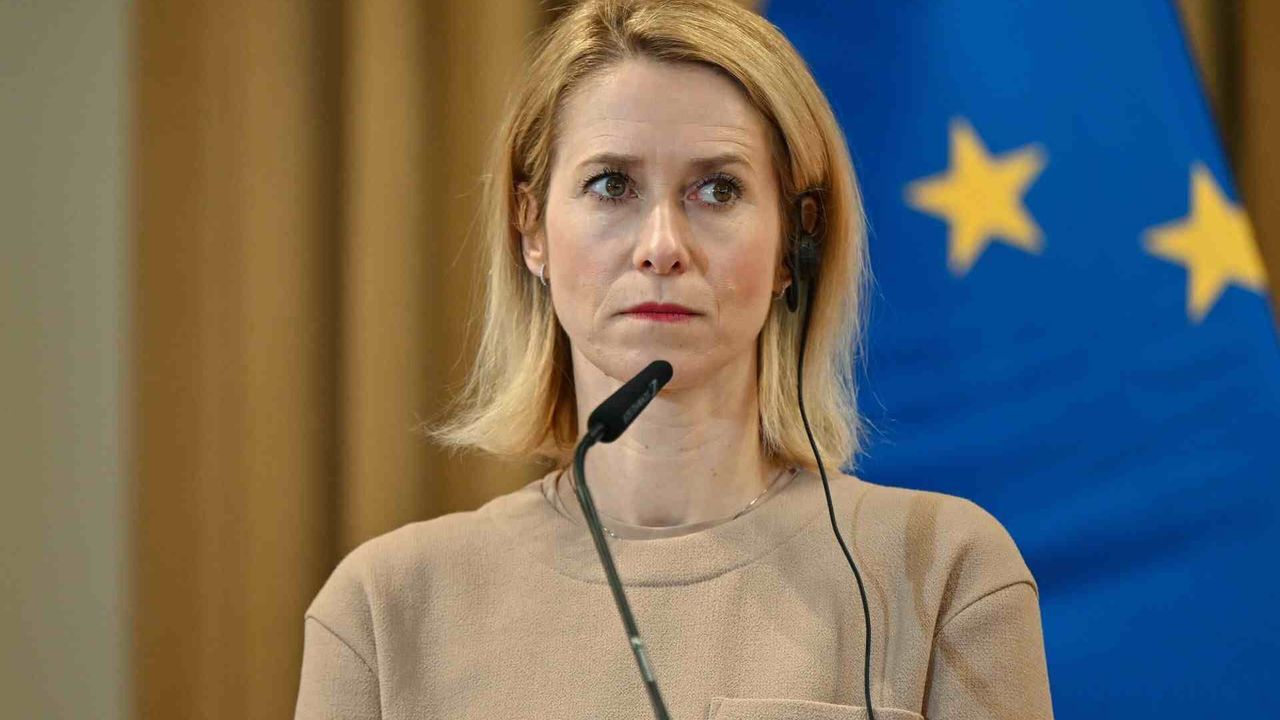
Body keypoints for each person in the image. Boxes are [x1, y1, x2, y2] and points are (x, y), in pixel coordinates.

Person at [294, 1, 1053, 718]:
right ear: (531, 228)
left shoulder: (941, 569)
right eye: (611, 185)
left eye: (717, 190)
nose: (661, 247)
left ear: (795, 243)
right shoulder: (383, 610)